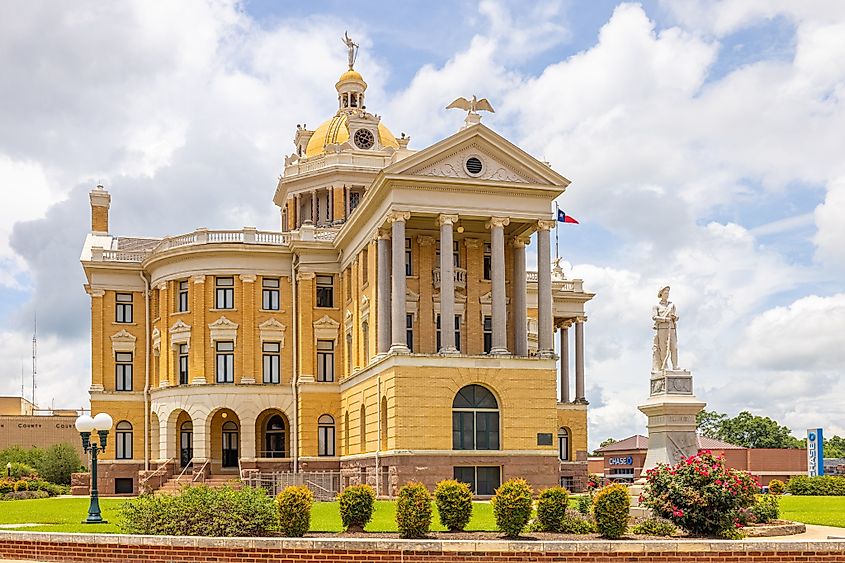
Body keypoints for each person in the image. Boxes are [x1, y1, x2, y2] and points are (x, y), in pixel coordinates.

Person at [652, 285, 678, 372]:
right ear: (661, 294)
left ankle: (675, 366)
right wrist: (665, 319)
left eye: (668, 293)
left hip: (671, 328)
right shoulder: (656, 306)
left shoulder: (672, 305)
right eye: (665, 293)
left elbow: (676, 317)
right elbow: (654, 317)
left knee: (674, 347)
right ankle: (665, 365)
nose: (667, 295)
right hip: (662, 329)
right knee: (664, 348)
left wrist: (674, 317)